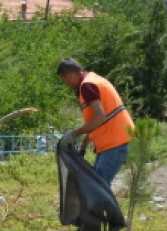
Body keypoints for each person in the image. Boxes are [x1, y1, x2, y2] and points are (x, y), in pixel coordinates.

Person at [56, 57, 134, 187]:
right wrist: (84, 144)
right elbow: (97, 120)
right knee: (96, 186)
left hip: (114, 143)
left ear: (69, 75)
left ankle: (108, 208)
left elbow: (100, 117)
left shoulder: (87, 86)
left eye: (64, 80)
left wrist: (74, 134)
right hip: (113, 141)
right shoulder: (92, 80)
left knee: (98, 188)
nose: (66, 84)